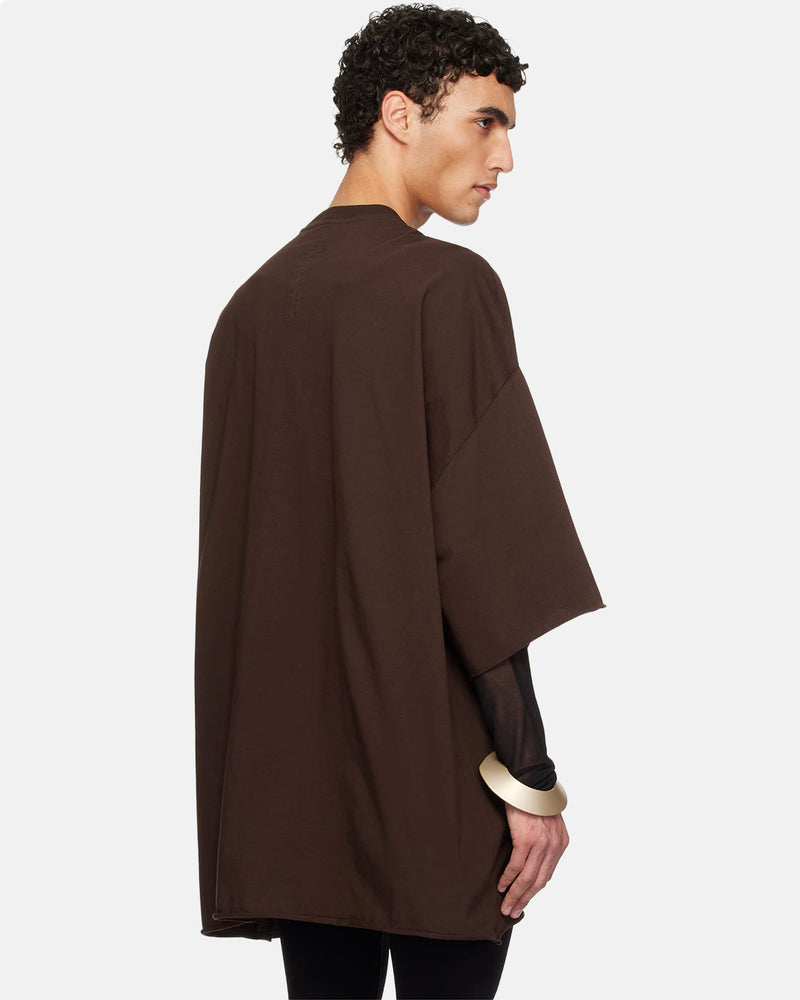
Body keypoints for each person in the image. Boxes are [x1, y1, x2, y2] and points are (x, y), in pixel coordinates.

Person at [193, 4, 605, 998]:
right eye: (485, 121)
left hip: (291, 791)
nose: (505, 157)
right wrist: (529, 777)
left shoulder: (249, 309)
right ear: (398, 114)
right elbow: (488, 559)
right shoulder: (443, 288)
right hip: (431, 776)